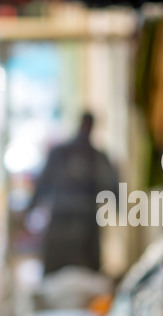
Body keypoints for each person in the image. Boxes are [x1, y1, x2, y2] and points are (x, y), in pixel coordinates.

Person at [28, 112, 119, 275]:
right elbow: (43, 184)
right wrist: (30, 211)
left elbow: (112, 185)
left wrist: (118, 206)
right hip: (63, 225)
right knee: (61, 275)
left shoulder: (95, 157)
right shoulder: (61, 154)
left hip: (84, 228)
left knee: (84, 276)